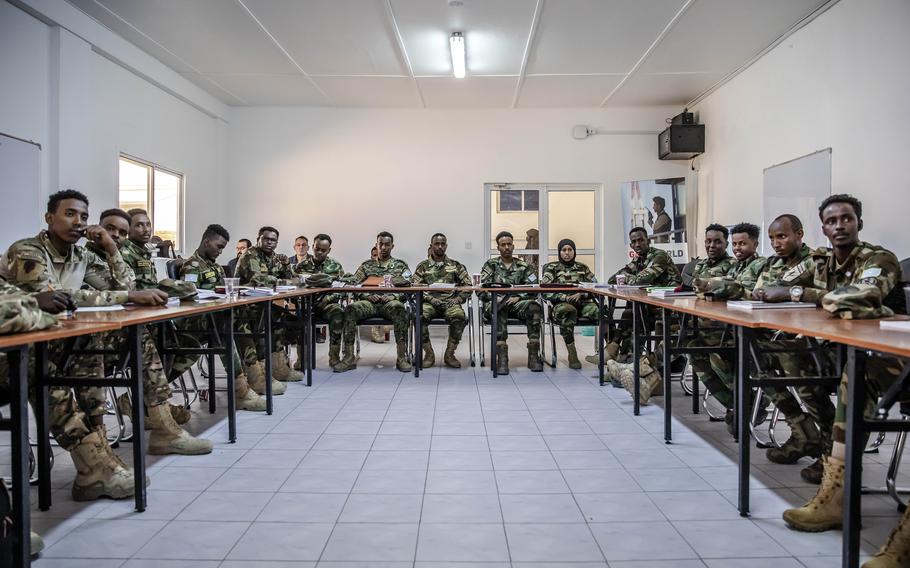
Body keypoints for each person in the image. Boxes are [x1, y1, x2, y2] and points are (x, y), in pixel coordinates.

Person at [0, 190, 174, 500]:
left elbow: (124, 287)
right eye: (69, 214)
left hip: (52, 341)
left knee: (89, 343)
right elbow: (55, 299)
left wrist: (109, 248)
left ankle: (99, 453)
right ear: (49, 218)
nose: (78, 222)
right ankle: (92, 462)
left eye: (83, 216)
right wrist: (126, 296)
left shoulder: (81, 255)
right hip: (14, 351)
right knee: (44, 368)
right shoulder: (28, 251)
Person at [779, 195, 907, 568]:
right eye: (832, 220)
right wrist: (806, 293)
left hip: (893, 358)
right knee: (787, 356)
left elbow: (861, 296)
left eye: (846, 219)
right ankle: (834, 497)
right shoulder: (819, 260)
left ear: (858, 223)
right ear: (823, 227)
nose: (839, 226)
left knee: (857, 371)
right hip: (852, 354)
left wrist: (806, 295)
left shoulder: (878, 259)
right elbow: (766, 286)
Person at [99, 209, 213, 455]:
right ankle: (156, 416)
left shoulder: (140, 252)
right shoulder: (109, 253)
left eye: (148, 224)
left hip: (139, 322)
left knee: (186, 341)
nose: (145, 229)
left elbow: (134, 287)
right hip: (108, 332)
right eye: (138, 225)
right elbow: (132, 289)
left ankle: (147, 404)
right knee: (154, 343)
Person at [752, 214, 836, 483]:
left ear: (799, 234)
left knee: (792, 359)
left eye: (782, 236)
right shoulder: (773, 263)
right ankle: (802, 431)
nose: (777, 243)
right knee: (752, 356)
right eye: (773, 238)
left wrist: (792, 293)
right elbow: (759, 291)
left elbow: (830, 298)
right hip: (781, 334)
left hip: (819, 340)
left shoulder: (817, 261)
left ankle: (830, 450)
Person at [176, 224, 271, 410]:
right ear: (206, 242)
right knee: (224, 326)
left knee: (247, 316)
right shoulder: (192, 266)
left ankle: (255, 373)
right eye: (219, 247)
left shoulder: (215, 266)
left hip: (215, 315)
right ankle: (241, 389)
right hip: (196, 321)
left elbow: (222, 291)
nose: (221, 252)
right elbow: (189, 297)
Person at [685, 222, 766, 425]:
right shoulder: (737, 266)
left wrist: (720, 287)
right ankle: (739, 404)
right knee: (693, 348)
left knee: (717, 355)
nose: (738, 248)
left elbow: (752, 294)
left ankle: (745, 405)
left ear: (755, 243)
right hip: (729, 326)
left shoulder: (762, 265)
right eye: (736, 244)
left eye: (743, 244)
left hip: (751, 330)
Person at [585, 227, 680, 369]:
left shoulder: (659, 256)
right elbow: (613, 279)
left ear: (648, 241)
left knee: (634, 315)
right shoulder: (638, 260)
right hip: (650, 305)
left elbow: (639, 281)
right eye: (634, 242)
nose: (637, 244)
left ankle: (628, 363)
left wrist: (628, 277)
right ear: (631, 245)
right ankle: (620, 358)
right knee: (630, 312)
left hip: (670, 307)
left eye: (641, 240)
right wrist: (630, 277)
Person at [334, 231, 412, 373]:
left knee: (400, 309)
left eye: (387, 244)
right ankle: (349, 357)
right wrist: (367, 295)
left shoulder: (400, 266)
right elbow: (354, 283)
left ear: (392, 246)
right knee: (350, 309)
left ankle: (401, 357)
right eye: (380, 244)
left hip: (390, 304)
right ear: (376, 245)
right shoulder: (366, 265)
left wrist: (394, 297)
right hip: (369, 303)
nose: (383, 247)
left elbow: (408, 285)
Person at [235, 226, 303, 382]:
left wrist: (286, 265)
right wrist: (287, 280)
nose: (269, 243)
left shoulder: (273, 257)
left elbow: (290, 276)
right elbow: (260, 280)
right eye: (266, 239)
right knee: (269, 319)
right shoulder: (250, 255)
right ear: (258, 238)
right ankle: (261, 373)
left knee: (283, 319)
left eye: (273, 240)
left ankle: (278, 368)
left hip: (265, 303)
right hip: (247, 305)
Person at [481, 231, 543, 375]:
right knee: (499, 307)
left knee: (534, 307)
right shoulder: (491, 265)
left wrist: (519, 297)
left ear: (513, 246)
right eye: (503, 245)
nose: (507, 247)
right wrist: (494, 298)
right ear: (498, 248)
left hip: (517, 303)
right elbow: (481, 288)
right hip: (496, 303)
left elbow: (534, 288)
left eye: (509, 244)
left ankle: (533, 356)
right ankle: (502, 358)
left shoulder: (523, 266)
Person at [413, 233, 472, 368]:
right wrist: (430, 298)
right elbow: (415, 286)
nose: (440, 247)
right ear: (431, 246)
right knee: (418, 317)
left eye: (442, 244)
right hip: (429, 302)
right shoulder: (423, 266)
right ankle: (428, 353)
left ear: (446, 246)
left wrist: (458, 299)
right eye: (437, 244)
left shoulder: (456, 265)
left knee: (459, 317)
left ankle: (450, 354)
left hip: (450, 302)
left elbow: (468, 285)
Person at [541, 239, 597, 369]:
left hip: (582, 303)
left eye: (570, 250)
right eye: (564, 250)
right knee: (568, 311)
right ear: (559, 252)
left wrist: (582, 294)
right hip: (562, 305)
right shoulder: (552, 268)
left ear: (574, 251)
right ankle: (572, 352)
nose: (567, 253)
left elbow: (595, 286)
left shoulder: (583, 268)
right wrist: (565, 297)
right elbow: (544, 291)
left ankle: (607, 351)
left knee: (601, 311)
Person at [295, 233, 347, 367]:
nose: (319, 252)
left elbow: (341, 290)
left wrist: (326, 299)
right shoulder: (302, 266)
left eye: (323, 250)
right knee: (299, 319)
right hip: (307, 304)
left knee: (338, 314)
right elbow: (295, 288)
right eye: (317, 248)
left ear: (329, 250)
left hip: (328, 305)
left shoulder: (335, 266)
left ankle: (334, 358)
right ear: (312, 247)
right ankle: (302, 360)